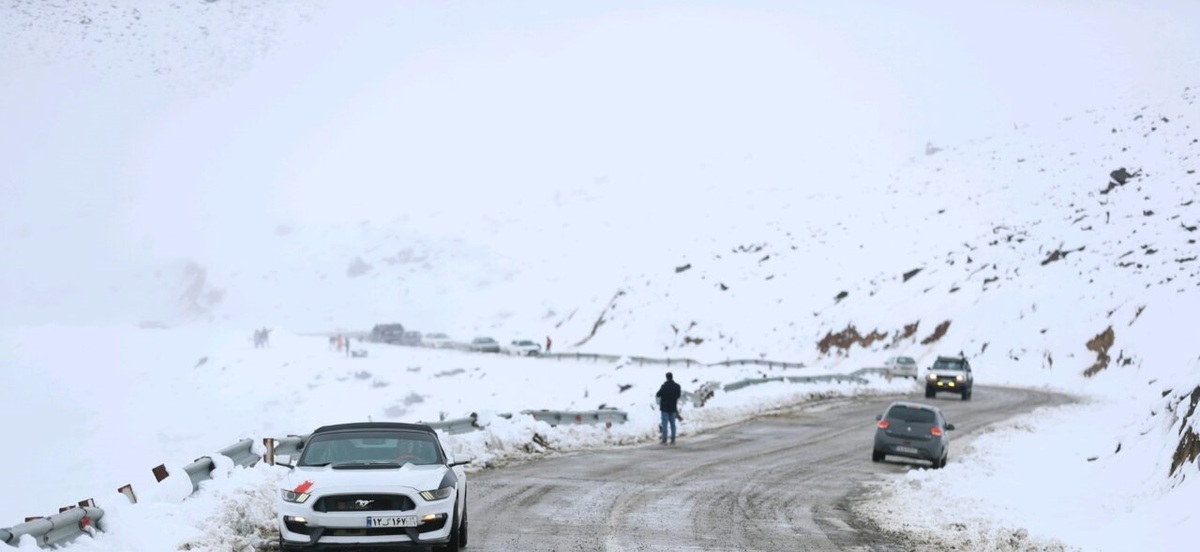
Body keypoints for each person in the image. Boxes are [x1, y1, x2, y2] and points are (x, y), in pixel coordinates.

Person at [655, 372, 682, 445]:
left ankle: (664, 440)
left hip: (665, 408)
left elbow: (658, 394)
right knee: (673, 424)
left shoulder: (664, 386)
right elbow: (679, 395)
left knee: (665, 424)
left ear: (666, 377)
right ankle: (673, 439)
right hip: (673, 407)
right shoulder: (677, 386)